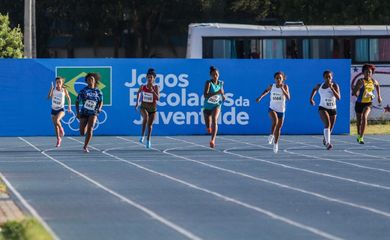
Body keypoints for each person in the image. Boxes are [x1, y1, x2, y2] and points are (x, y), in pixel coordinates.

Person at [256, 71, 290, 153]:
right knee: (275, 121)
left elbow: (288, 97)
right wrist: (260, 97)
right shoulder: (272, 86)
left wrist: (282, 88)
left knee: (278, 128)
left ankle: (276, 143)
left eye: (280, 78)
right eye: (277, 78)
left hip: (281, 110)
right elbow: (266, 91)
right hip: (272, 108)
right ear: (274, 79)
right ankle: (271, 135)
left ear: (283, 79)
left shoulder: (285, 86)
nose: (278, 80)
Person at [310, 70, 341, 150]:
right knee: (327, 124)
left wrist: (332, 88)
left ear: (332, 77)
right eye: (326, 77)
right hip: (323, 108)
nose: (328, 78)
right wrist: (311, 98)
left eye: (329, 77)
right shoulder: (319, 85)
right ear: (324, 77)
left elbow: (338, 98)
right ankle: (328, 143)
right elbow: (314, 89)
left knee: (330, 128)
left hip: (333, 109)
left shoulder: (335, 85)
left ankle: (325, 138)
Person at [352, 64, 382, 144]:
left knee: (364, 117)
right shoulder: (360, 81)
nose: (368, 73)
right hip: (359, 103)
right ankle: (358, 135)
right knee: (359, 122)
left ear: (372, 73)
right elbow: (354, 93)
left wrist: (379, 96)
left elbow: (378, 86)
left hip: (368, 103)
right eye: (366, 72)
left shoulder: (374, 81)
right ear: (363, 73)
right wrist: (358, 88)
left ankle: (361, 137)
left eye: (369, 72)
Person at [75, 73, 103, 152]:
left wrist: (100, 108)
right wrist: (77, 112)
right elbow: (77, 102)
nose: (90, 80)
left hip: (94, 112)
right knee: (82, 132)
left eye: (92, 79)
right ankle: (86, 124)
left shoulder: (98, 91)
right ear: (86, 81)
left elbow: (101, 101)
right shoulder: (83, 91)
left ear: (94, 81)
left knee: (90, 129)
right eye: (88, 79)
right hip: (84, 112)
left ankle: (85, 146)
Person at [135, 68, 160, 149]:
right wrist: (137, 103)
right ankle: (142, 136)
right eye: (148, 77)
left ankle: (148, 140)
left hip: (153, 109)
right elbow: (138, 93)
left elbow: (158, 98)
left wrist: (152, 91)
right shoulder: (143, 86)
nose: (149, 79)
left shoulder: (156, 87)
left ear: (154, 79)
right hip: (143, 107)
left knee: (150, 125)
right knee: (145, 117)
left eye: (151, 77)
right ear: (146, 78)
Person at [203, 66, 225, 148]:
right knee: (208, 125)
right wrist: (217, 93)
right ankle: (208, 128)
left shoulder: (221, 83)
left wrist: (223, 96)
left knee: (214, 120)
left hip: (217, 104)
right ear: (211, 76)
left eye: (216, 74)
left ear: (218, 74)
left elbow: (222, 91)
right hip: (207, 106)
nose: (215, 76)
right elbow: (205, 95)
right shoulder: (208, 83)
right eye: (213, 75)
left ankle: (213, 140)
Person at [47, 77, 71, 147]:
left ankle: (61, 129)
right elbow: (48, 97)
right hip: (53, 109)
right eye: (57, 82)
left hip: (61, 109)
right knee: (55, 126)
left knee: (57, 120)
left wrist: (69, 107)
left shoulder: (64, 90)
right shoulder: (54, 90)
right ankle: (58, 139)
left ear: (62, 83)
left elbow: (68, 98)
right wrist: (51, 88)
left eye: (59, 82)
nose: (58, 83)